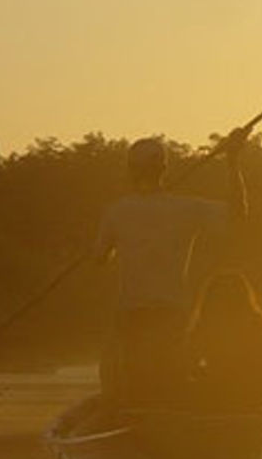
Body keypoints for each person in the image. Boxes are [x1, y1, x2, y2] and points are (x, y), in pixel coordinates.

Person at [95, 128, 250, 413]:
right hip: (172, 313)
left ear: (130, 171)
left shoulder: (116, 212)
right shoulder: (187, 208)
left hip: (132, 314)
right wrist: (233, 161)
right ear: (163, 168)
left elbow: (98, 258)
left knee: (134, 386)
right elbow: (239, 214)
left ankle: (136, 421)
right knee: (170, 382)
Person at [186, 271, 262, 413]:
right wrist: (250, 382)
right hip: (254, 405)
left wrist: (211, 378)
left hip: (213, 406)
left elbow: (186, 369)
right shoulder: (261, 328)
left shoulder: (204, 328)